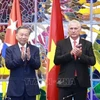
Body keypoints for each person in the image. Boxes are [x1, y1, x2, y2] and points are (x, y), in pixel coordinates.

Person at [54, 20, 96, 100]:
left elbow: (92, 61)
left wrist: (81, 55)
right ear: (68, 30)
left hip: (81, 82)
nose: (73, 31)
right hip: (65, 82)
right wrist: (70, 54)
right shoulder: (61, 43)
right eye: (71, 28)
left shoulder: (87, 44)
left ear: (80, 30)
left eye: (76, 28)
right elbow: (56, 61)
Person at [5, 26, 41, 100]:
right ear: (16, 36)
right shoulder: (10, 50)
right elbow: (8, 65)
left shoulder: (35, 49)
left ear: (28, 36)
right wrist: (20, 59)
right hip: (15, 89)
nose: (23, 37)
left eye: (26, 35)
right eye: (21, 35)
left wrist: (29, 58)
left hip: (31, 89)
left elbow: (37, 65)